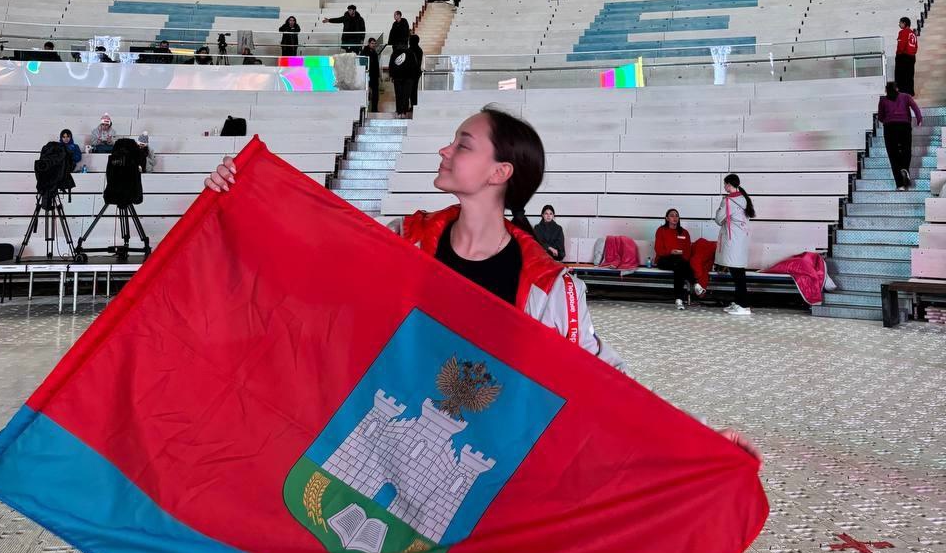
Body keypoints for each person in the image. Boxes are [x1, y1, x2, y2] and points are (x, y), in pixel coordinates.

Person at [203, 109, 758, 460]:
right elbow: (316, 261)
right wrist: (244, 200)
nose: (445, 150)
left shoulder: (547, 288)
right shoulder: (407, 241)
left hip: (480, 469)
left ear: (499, 173)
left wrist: (698, 442)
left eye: (462, 144)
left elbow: (605, 384)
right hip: (382, 443)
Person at [715, 175, 755, 317]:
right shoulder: (743, 198)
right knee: (738, 272)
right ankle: (739, 302)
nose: (724, 186)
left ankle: (744, 305)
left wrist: (720, 207)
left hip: (733, 241)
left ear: (728, 184)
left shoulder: (729, 200)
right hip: (741, 239)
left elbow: (718, 219)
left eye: (725, 184)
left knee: (738, 274)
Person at [878, 81, 923, 190]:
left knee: (893, 155)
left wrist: (887, 120)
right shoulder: (906, 96)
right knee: (906, 149)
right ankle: (904, 168)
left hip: (889, 128)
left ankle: (900, 185)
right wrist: (919, 119)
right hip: (904, 126)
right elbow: (915, 108)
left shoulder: (883, 100)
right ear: (897, 88)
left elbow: (880, 117)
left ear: (886, 90)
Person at [654, 208, 701, 311]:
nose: (675, 218)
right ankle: (695, 283)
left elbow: (688, 251)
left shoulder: (684, 232)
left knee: (679, 268)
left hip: (680, 261)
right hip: (664, 259)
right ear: (667, 218)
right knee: (679, 265)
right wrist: (670, 252)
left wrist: (682, 256)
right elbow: (658, 249)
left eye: (676, 215)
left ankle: (679, 300)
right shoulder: (661, 230)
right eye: (672, 215)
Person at [895, 17, 918, 95]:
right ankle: (910, 92)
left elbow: (901, 45)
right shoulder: (913, 33)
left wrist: (898, 54)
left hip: (903, 56)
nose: (899, 24)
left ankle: (903, 93)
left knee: (901, 75)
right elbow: (916, 46)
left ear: (904, 23)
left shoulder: (903, 32)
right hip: (912, 56)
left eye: (900, 23)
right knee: (910, 75)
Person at [389, 43, 413, 118]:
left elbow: (391, 65)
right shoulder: (410, 53)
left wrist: (392, 76)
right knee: (406, 95)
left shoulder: (394, 53)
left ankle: (399, 111)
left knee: (398, 95)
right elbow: (414, 65)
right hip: (408, 77)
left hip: (397, 77)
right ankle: (404, 112)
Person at [406, 32, 423, 110]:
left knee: (409, 90)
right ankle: (413, 105)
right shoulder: (419, 50)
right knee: (414, 90)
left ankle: (411, 105)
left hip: (410, 73)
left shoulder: (410, 50)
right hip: (416, 73)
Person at [363, 37, 381, 113]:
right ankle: (366, 109)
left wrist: (378, 75)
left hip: (374, 75)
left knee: (375, 93)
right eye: (372, 43)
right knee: (367, 92)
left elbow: (376, 65)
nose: (373, 45)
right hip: (368, 74)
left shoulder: (374, 52)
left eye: (374, 43)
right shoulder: (365, 52)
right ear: (369, 43)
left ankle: (374, 109)